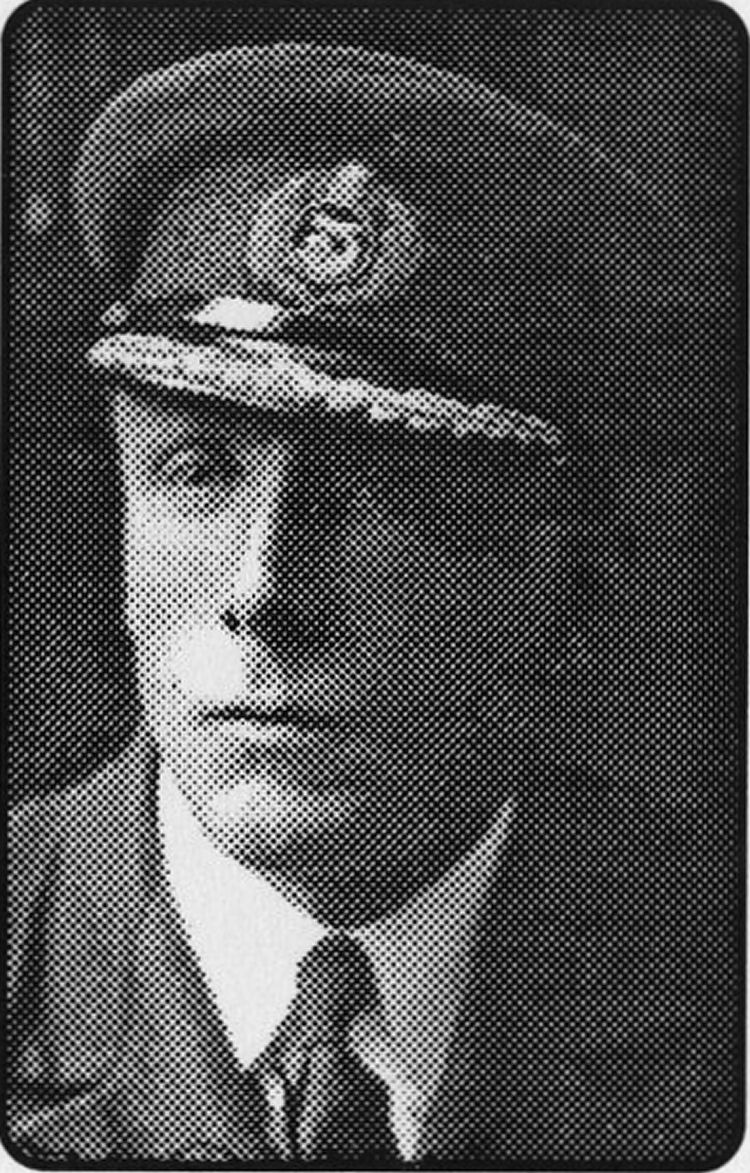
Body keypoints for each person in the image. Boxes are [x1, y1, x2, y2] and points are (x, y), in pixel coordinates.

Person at [6, 42, 736, 1167]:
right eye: (196, 473)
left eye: (380, 493)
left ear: (573, 588)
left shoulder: (712, 970)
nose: (262, 591)